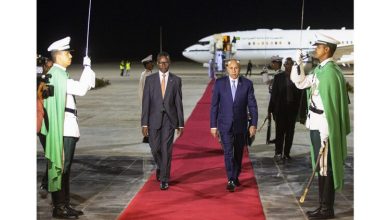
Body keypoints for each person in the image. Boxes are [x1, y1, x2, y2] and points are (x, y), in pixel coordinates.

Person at [290, 33, 350, 219]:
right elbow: (299, 83)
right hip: (316, 126)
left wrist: (326, 132)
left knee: (326, 168)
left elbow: (330, 108)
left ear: (326, 50)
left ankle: (327, 209)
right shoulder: (320, 70)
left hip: (325, 129)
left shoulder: (331, 73)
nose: (315, 49)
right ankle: (322, 206)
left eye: (318, 46)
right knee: (321, 167)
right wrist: (296, 63)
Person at [40, 36, 96, 218]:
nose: (70, 56)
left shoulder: (59, 74)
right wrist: (87, 68)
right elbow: (81, 89)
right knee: (62, 168)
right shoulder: (57, 75)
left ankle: (64, 204)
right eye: (67, 54)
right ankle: (59, 207)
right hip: (64, 128)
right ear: (58, 56)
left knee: (65, 168)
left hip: (66, 126)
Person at [210, 59, 258, 192]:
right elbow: (214, 106)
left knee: (238, 153)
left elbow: (252, 106)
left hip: (241, 125)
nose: (233, 71)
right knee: (228, 152)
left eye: (236, 68)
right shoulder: (220, 84)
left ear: (240, 69)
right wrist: (213, 126)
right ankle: (231, 178)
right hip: (224, 125)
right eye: (231, 68)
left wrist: (253, 124)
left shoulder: (247, 84)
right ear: (227, 69)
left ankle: (235, 175)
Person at [141, 51, 184, 190]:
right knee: (155, 148)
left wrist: (180, 124)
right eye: (160, 62)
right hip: (153, 119)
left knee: (166, 149)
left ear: (169, 63)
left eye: (165, 62)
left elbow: (178, 103)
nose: (163, 65)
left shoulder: (176, 80)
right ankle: (161, 166)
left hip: (169, 120)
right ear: (157, 64)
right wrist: (144, 123)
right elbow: (145, 102)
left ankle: (165, 178)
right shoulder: (150, 80)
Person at [268, 57, 304, 162]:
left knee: (290, 133)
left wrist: (300, 111)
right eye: (287, 64)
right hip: (280, 110)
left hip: (292, 110)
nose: (289, 66)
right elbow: (274, 95)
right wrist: (270, 110)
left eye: (291, 64)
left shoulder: (296, 78)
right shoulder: (278, 77)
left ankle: (287, 153)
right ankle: (278, 152)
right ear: (284, 65)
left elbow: (300, 95)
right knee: (279, 133)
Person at [37, 56, 53, 198]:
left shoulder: (45, 78)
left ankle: (46, 181)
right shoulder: (41, 81)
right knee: (50, 151)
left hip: (43, 122)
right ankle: (47, 181)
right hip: (42, 123)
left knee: (50, 151)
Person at [138, 54, 154, 143]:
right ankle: (146, 136)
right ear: (147, 64)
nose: (152, 64)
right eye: (151, 63)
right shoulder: (146, 75)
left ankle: (148, 136)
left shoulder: (146, 74)